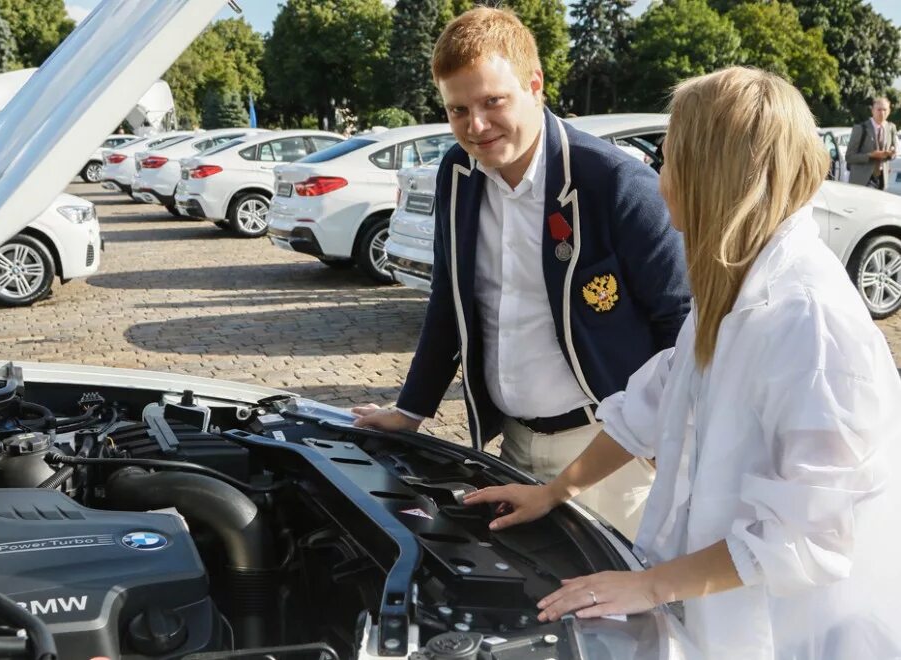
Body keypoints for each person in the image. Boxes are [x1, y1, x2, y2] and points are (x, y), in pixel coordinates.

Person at [463, 67, 901, 659]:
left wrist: (647, 586)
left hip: (794, 633)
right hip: (715, 612)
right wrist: (555, 492)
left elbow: (803, 536)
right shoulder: (735, 283)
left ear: (712, 175)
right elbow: (656, 400)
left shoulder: (809, 323)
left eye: (668, 159)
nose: (656, 175)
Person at [352, 7, 690, 538]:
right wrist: (412, 409)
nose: (476, 126)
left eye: (493, 102)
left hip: (610, 454)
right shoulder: (457, 174)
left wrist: (659, 442)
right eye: (458, 109)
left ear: (535, 85)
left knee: (621, 614)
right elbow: (450, 300)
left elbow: (681, 325)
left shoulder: (615, 183)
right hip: (510, 445)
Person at [845, 97, 898, 189]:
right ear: (872, 111)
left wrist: (891, 153)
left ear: (889, 111)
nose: (882, 113)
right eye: (879, 109)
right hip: (862, 180)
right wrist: (870, 155)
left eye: (885, 110)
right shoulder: (861, 128)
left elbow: (894, 152)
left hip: (882, 179)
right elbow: (849, 157)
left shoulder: (891, 128)